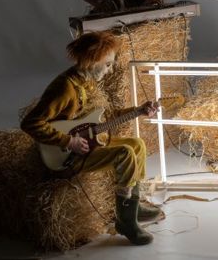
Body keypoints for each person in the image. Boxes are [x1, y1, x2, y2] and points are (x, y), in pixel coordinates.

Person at [21, 31, 161, 245]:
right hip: (68, 155)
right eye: (107, 64)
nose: (110, 69)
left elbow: (102, 118)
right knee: (124, 154)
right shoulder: (65, 89)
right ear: (93, 61)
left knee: (137, 144)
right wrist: (69, 142)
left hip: (89, 142)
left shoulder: (86, 82)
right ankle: (125, 223)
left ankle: (133, 206)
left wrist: (139, 110)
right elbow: (30, 122)